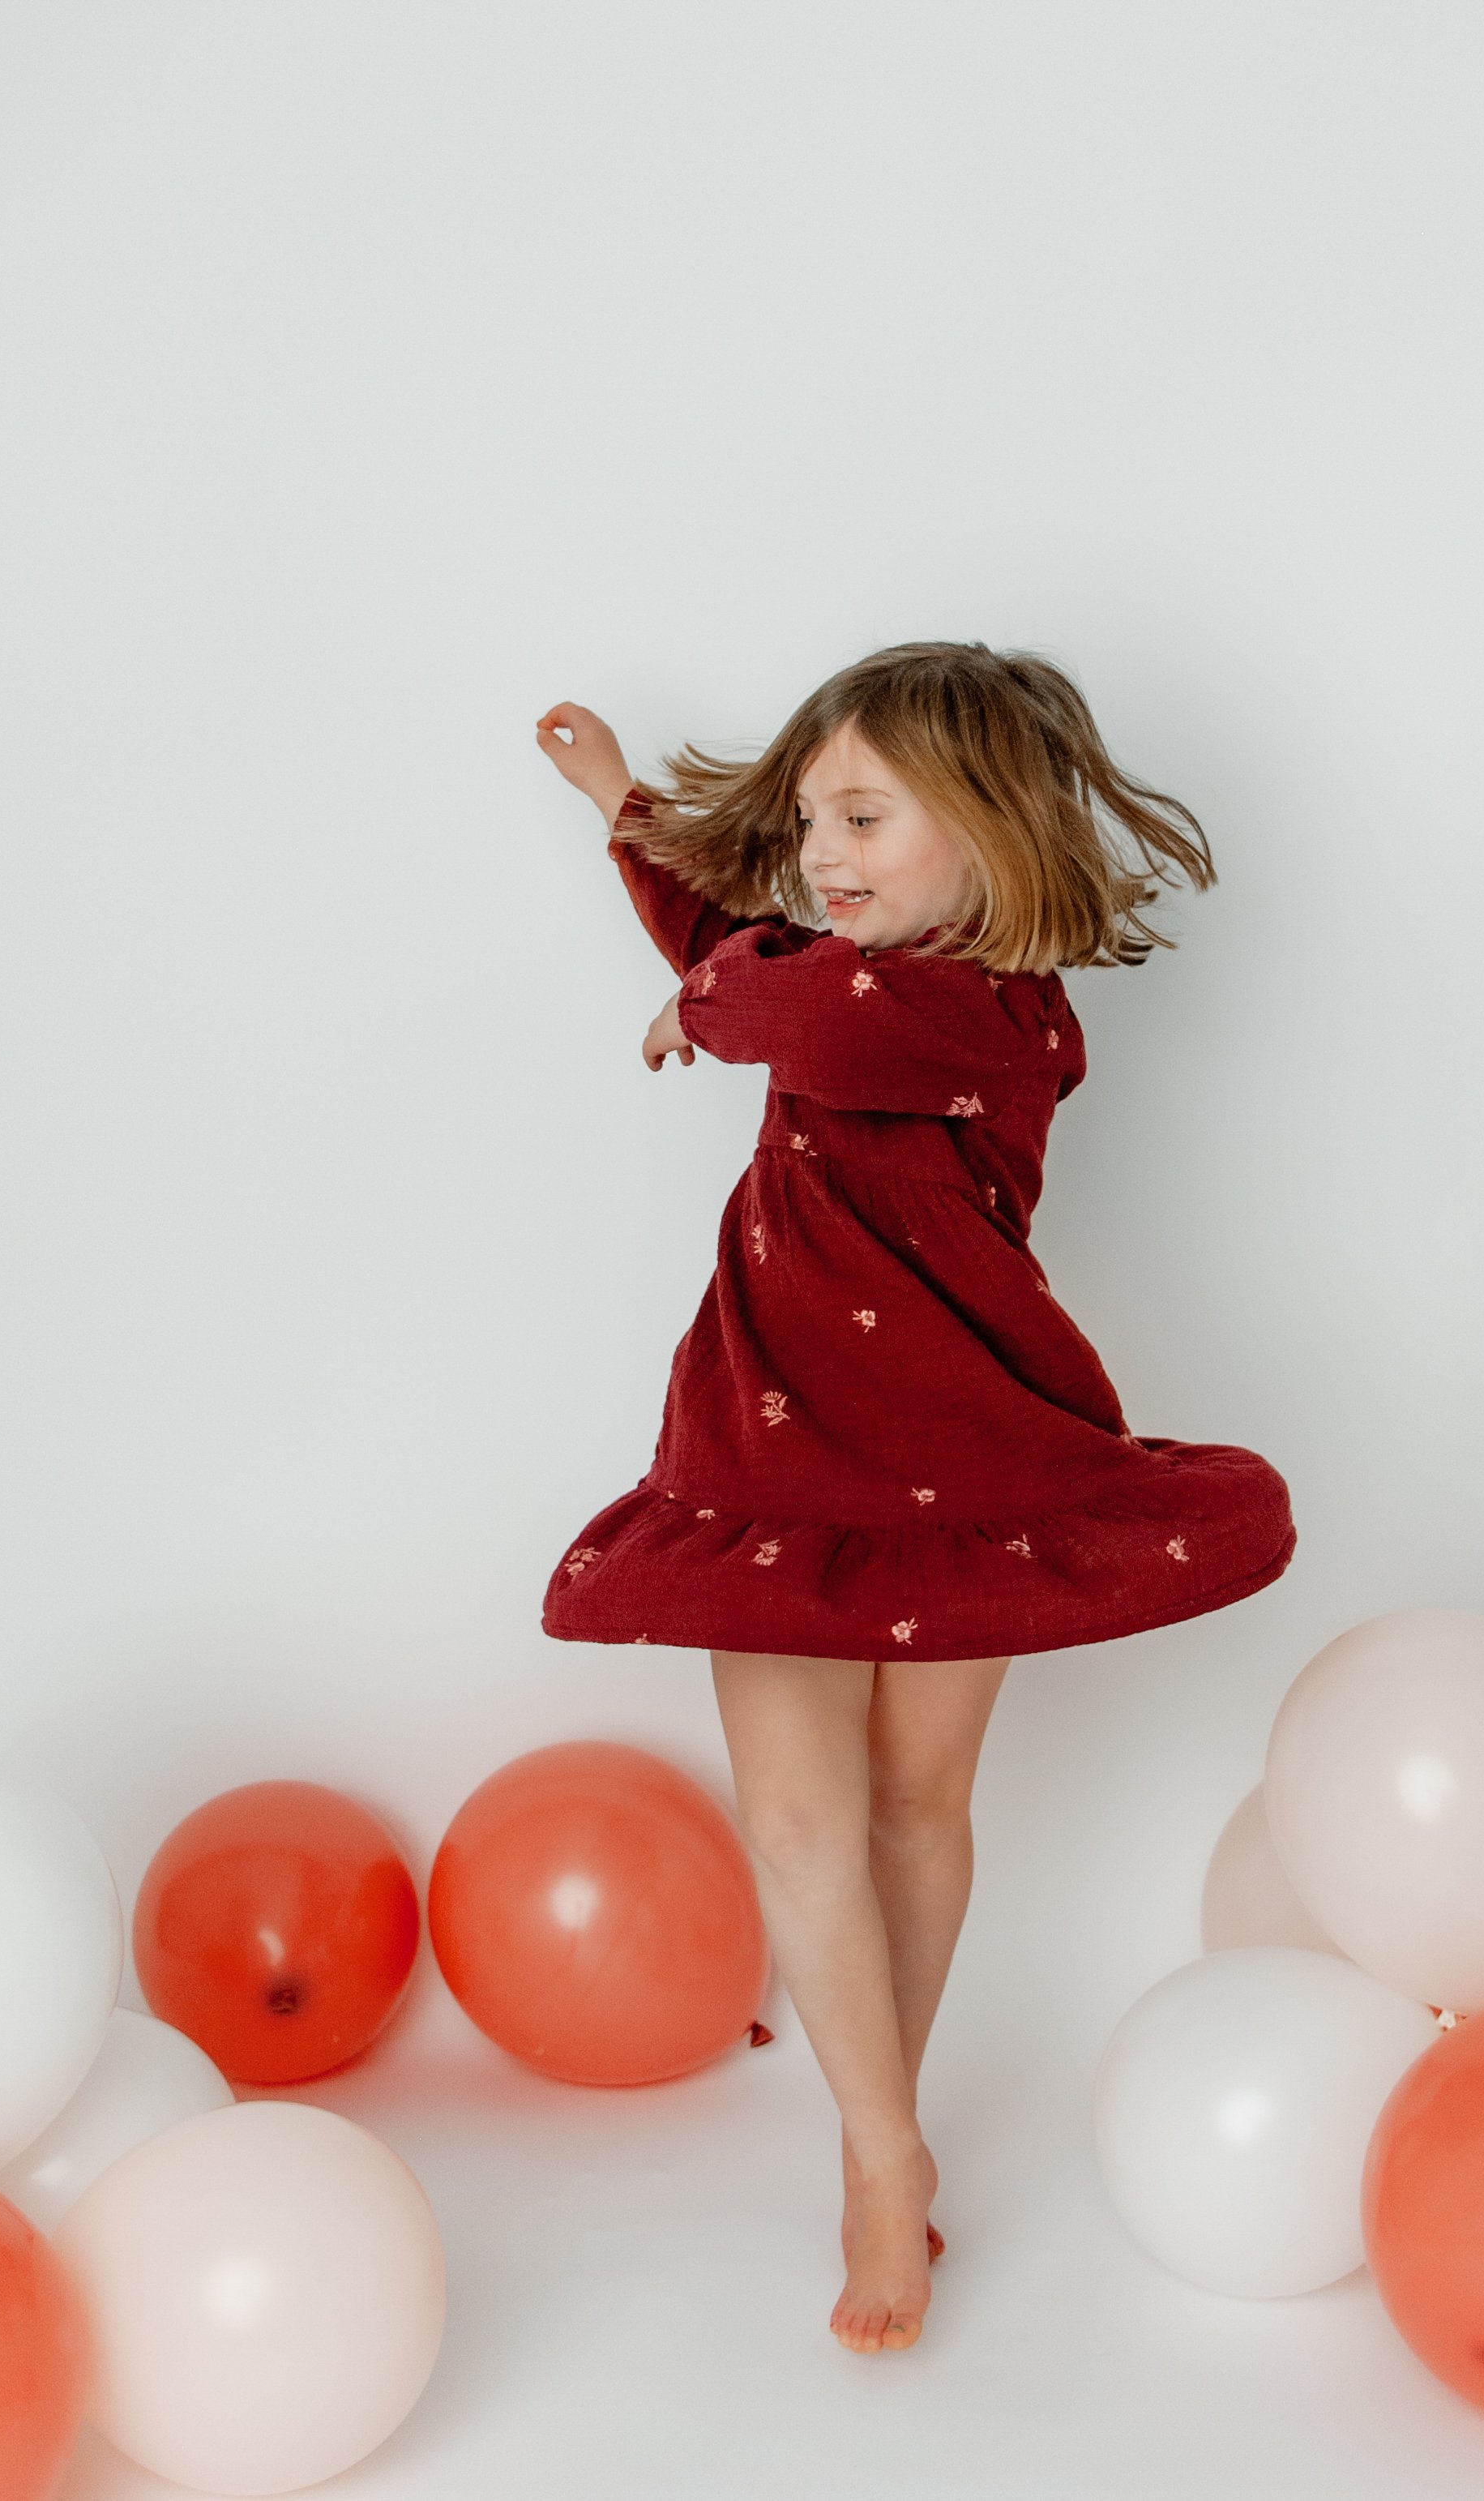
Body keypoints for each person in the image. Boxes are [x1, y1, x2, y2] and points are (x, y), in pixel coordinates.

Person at [533, 641, 1294, 2354]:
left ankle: (889, 2098)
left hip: (969, 1451)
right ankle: (884, 2149)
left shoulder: (993, 1012)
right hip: (766, 1442)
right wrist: (625, 815)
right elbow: (745, 955)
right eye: (810, 818)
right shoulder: (827, 961)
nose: (821, 851)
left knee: (910, 1806)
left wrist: (704, 999)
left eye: (862, 814)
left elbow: (774, 997)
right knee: (796, 1819)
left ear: (988, 826)